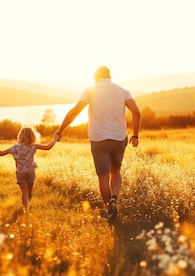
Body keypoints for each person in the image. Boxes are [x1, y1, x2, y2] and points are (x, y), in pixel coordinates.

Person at [54, 66, 141, 219]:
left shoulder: (90, 90)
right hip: (119, 138)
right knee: (116, 171)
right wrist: (135, 135)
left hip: (98, 139)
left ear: (95, 76)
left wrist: (61, 129)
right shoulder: (123, 91)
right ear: (110, 76)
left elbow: (75, 111)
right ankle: (115, 196)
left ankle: (109, 209)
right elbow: (136, 112)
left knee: (103, 177)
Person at [0, 126, 56, 210]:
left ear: (20, 136)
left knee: (25, 192)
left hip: (20, 173)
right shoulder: (33, 146)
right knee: (29, 191)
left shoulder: (15, 147)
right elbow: (48, 147)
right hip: (30, 172)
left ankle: (25, 209)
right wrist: (55, 139)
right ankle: (27, 206)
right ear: (33, 136)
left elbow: (1, 153)